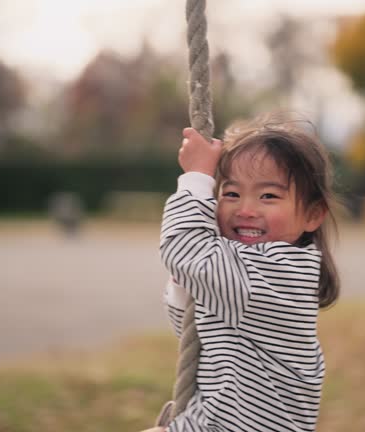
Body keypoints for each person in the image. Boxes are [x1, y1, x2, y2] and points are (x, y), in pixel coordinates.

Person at [145, 114, 341, 432]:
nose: (246, 209)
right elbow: (190, 329)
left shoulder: (276, 271)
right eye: (231, 193)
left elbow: (182, 248)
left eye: (268, 196)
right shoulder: (241, 266)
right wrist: (187, 279)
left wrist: (196, 176)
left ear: (313, 214)